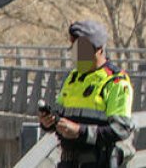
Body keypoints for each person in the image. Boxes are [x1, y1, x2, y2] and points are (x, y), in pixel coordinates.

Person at [38, 21, 135, 168]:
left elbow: (121, 129)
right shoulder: (73, 78)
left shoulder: (115, 82)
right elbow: (62, 116)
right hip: (68, 161)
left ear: (100, 50)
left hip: (99, 162)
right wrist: (49, 123)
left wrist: (79, 131)